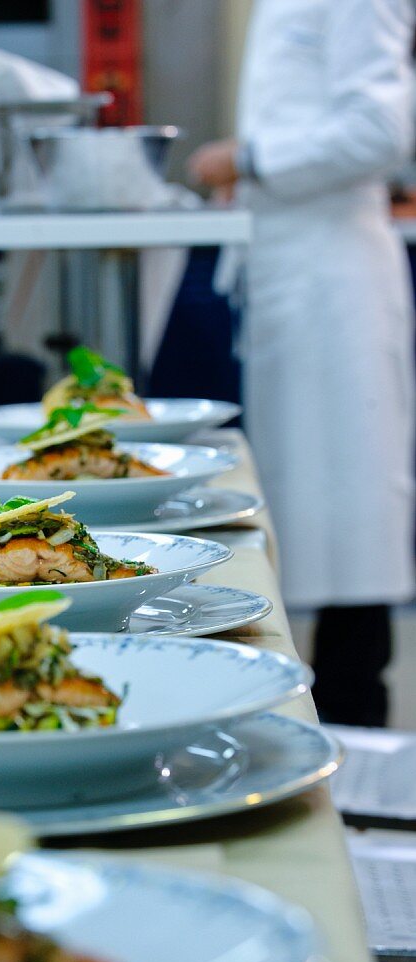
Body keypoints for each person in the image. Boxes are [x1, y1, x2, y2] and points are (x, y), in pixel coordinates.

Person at [188, 0, 416, 726]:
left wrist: (248, 156)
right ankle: (302, 731)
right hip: (292, 277)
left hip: (334, 286)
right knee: (306, 525)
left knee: (350, 531)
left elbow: (380, 129)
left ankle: (358, 759)